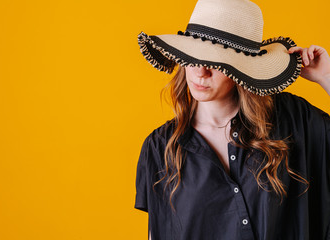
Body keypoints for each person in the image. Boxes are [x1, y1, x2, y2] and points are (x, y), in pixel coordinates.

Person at [134, 0, 330, 239]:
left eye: (215, 62)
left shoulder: (293, 120)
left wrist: (327, 77)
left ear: (242, 69)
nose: (200, 71)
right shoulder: (160, 147)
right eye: (193, 56)